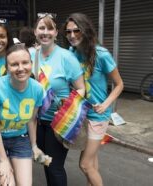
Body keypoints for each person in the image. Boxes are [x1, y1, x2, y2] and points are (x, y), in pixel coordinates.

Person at [62, 13, 124, 186]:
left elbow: (119, 84)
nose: (72, 35)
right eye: (68, 32)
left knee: (85, 164)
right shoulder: (71, 53)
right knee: (92, 161)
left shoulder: (101, 54)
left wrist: (105, 105)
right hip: (82, 115)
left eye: (77, 31)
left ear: (86, 30)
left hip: (98, 116)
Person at [31, 13, 86, 186]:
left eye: (50, 28)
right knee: (45, 162)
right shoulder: (30, 55)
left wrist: (69, 108)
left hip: (58, 123)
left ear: (56, 33)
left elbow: (81, 88)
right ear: (35, 31)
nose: (45, 32)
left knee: (55, 167)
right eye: (41, 28)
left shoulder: (67, 58)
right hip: (36, 122)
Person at [0, 44, 44, 186]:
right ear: (7, 67)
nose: (21, 68)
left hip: (20, 139)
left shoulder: (38, 89)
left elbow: (31, 120)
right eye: (14, 64)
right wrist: (3, 160)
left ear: (31, 63)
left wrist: (34, 145)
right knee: (7, 183)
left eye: (25, 62)